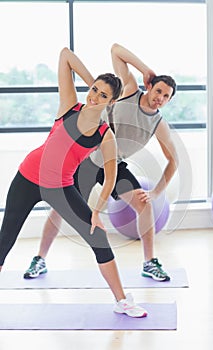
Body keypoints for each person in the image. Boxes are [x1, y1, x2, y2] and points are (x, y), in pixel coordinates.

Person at [0, 47, 147, 318]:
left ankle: (122, 300)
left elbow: (111, 176)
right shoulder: (69, 105)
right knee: (5, 239)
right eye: (93, 90)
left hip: (61, 188)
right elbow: (66, 55)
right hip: (27, 178)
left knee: (99, 239)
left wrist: (96, 211)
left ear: (111, 103)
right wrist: (94, 82)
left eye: (103, 96)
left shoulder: (105, 135)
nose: (94, 97)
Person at [24, 43, 178, 283]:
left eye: (166, 96)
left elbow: (173, 160)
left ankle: (149, 263)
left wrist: (157, 192)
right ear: (150, 86)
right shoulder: (129, 90)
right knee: (59, 211)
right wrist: (146, 68)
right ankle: (39, 259)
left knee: (144, 206)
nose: (160, 98)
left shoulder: (159, 125)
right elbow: (116, 50)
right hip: (85, 159)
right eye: (158, 91)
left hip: (113, 165)